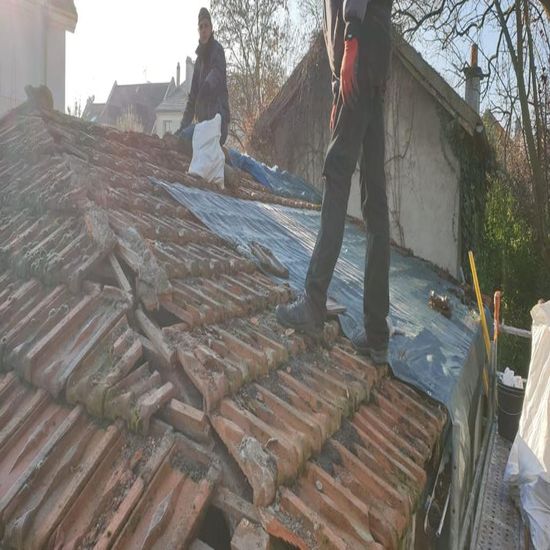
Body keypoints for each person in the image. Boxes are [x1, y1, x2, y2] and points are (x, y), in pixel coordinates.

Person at [276, 0, 393, 365]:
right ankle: (376, 333)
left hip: (359, 53)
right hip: (373, 63)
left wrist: (351, 43)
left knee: (336, 174)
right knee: (375, 200)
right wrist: (335, 83)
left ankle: (313, 301)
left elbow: (349, 12)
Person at [177, 7, 230, 145]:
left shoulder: (217, 50)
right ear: (198, 31)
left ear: (211, 29)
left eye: (206, 26)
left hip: (218, 122)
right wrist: (183, 125)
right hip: (204, 124)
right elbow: (192, 98)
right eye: (201, 27)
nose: (204, 30)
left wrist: (207, 85)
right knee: (183, 136)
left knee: (186, 138)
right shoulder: (199, 62)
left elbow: (218, 72)